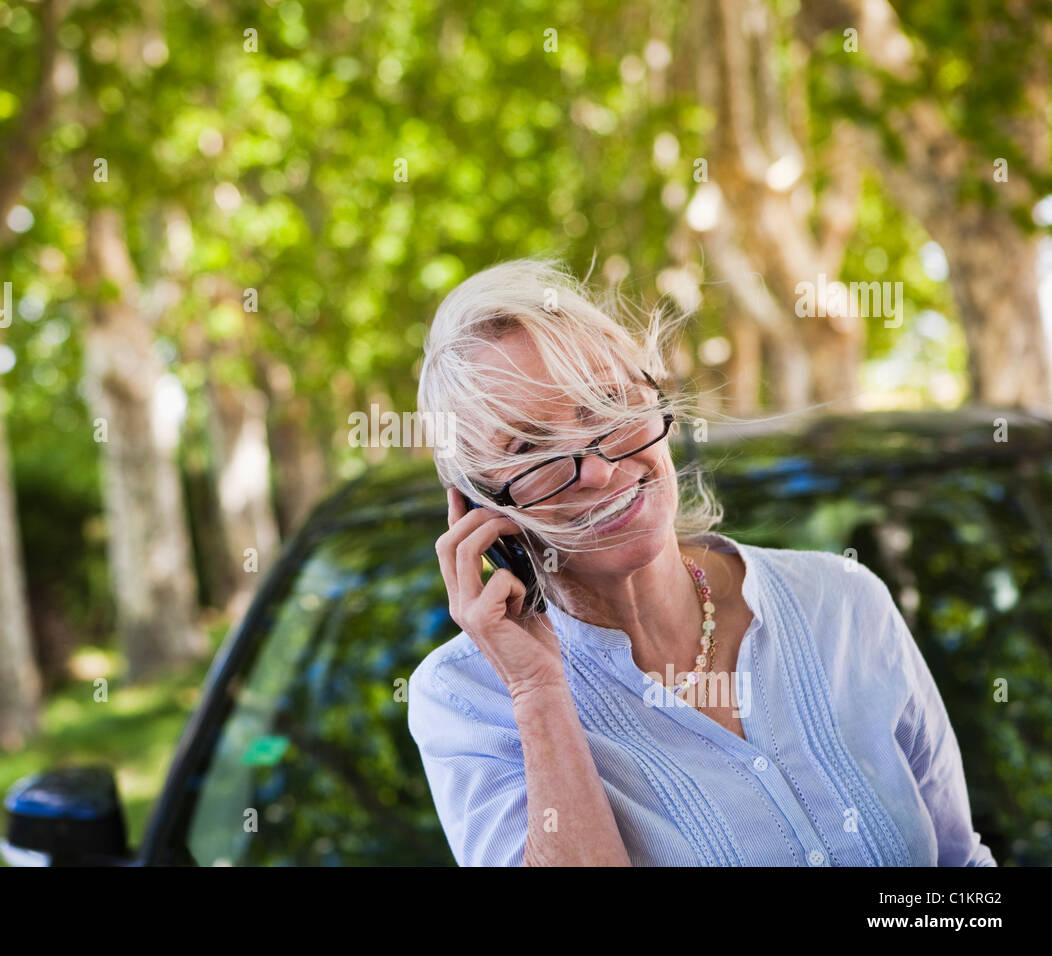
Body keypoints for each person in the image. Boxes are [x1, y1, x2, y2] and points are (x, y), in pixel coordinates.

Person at [407, 256, 997, 867]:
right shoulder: (466, 697)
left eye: (608, 405)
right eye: (530, 447)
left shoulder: (843, 601)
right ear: (476, 507)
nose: (602, 470)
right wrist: (537, 689)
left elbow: (960, 870)